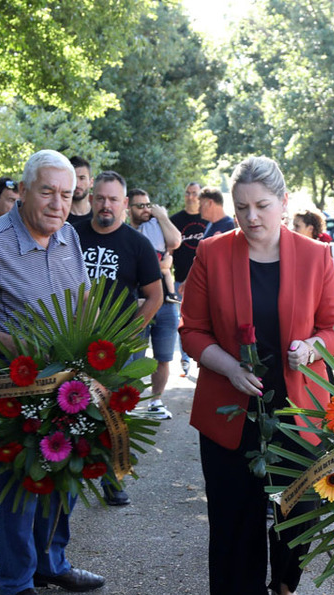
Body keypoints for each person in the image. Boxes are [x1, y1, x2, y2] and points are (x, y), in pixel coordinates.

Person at [180, 156, 334, 595]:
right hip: (231, 407)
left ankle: (285, 588)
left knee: (304, 507)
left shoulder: (317, 256)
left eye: (262, 206)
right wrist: (228, 367)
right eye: (242, 207)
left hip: (300, 409)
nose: (251, 217)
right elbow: (192, 329)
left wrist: (313, 347)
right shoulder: (210, 253)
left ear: (284, 203)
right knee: (237, 508)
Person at [0, 149, 105, 595]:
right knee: (19, 485)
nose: (58, 203)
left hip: (66, 386)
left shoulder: (69, 236)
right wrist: (12, 345)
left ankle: (52, 564)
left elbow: (84, 300)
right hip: (11, 392)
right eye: (48, 192)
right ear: (24, 190)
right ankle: (16, 582)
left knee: (62, 478)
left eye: (67, 194)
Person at [76, 171, 163, 506]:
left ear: (124, 204)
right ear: (91, 200)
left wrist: (130, 334)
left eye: (113, 199)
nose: (105, 205)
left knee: (115, 414)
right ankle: (71, 474)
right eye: (100, 198)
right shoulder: (72, 234)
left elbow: (154, 296)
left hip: (118, 347)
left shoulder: (137, 243)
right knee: (72, 408)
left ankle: (113, 479)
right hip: (74, 339)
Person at [128, 189, 181, 420]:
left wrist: (162, 216)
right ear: (128, 207)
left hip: (166, 303)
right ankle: (127, 401)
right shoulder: (124, 231)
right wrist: (161, 266)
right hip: (137, 302)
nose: (145, 209)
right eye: (139, 205)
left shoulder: (157, 225)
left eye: (148, 204)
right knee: (132, 356)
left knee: (164, 356)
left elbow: (175, 241)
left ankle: (156, 401)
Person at [171, 182, 207, 376]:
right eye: (188, 193)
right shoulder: (175, 220)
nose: (191, 197)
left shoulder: (208, 220)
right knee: (183, 321)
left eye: (195, 193)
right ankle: (185, 359)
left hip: (204, 281)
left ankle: (204, 359)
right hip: (181, 280)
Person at [67, 155, 93, 222]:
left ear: (91, 182)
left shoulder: (98, 216)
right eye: (73, 179)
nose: (77, 184)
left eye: (82, 178)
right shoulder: (59, 215)